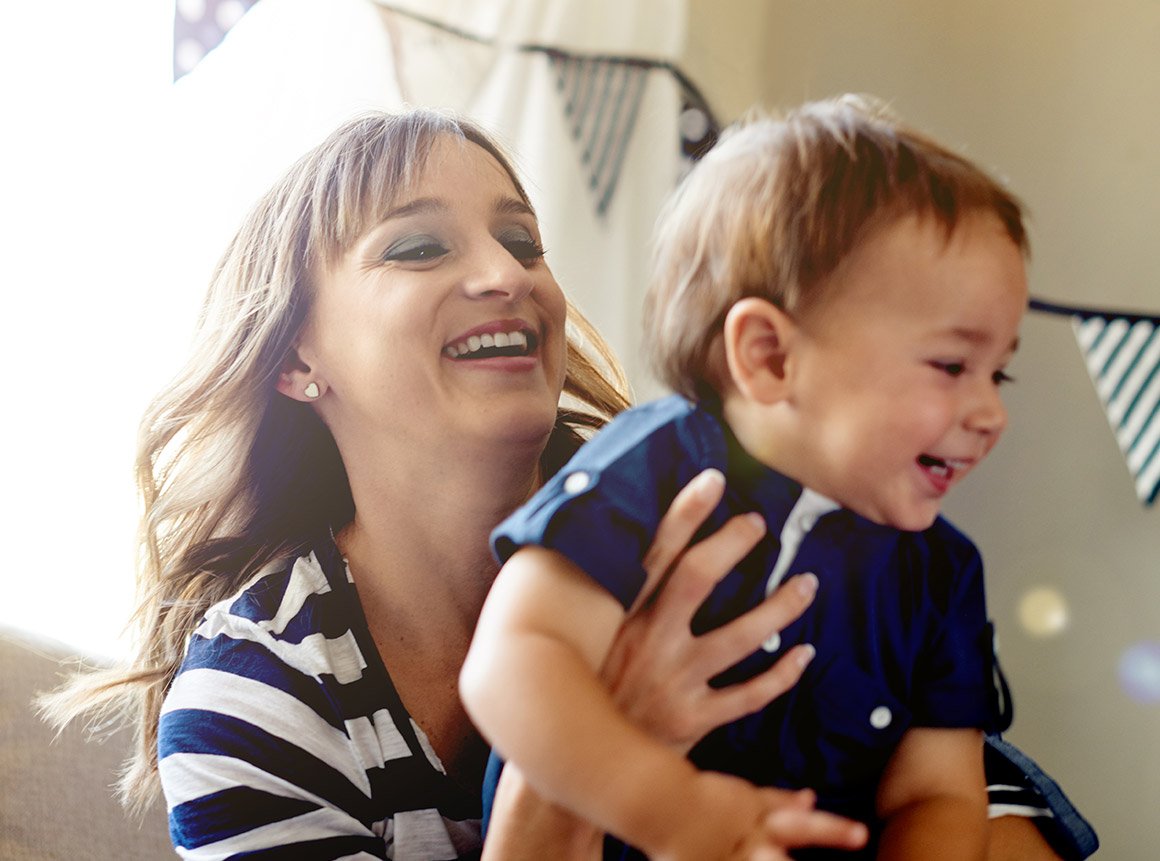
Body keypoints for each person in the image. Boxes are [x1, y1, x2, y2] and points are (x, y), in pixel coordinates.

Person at [41, 106, 1090, 861]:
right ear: (296, 358)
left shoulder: (734, 510)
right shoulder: (253, 700)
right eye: (418, 247)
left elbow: (969, 803)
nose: (506, 274)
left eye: (522, 241)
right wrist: (595, 764)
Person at [461, 95, 1091, 860]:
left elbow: (938, 792)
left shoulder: (942, 571)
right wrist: (675, 811)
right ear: (770, 356)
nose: (991, 412)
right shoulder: (656, 467)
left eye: (1000, 374)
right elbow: (512, 665)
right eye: (953, 365)